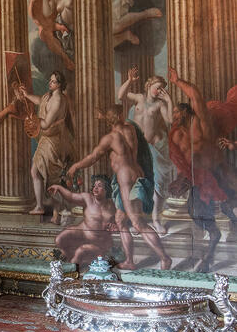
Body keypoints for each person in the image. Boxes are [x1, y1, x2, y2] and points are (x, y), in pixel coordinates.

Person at [68, 104, 171, 270]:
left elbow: (93, 156)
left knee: (137, 222)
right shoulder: (130, 129)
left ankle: (164, 258)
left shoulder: (111, 137)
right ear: (121, 116)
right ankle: (130, 260)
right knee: (120, 221)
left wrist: (76, 167)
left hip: (124, 177)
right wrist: (106, 117)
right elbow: (118, 121)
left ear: (109, 120)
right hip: (133, 173)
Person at [168, 68, 237, 272]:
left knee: (230, 207)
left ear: (186, 112)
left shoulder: (201, 123)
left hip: (218, 172)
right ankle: (214, 237)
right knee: (195, 211)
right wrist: (182, 179)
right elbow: (190, 162)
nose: (174, 117)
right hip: (202, 179)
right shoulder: (179, 136)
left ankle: (230, 228)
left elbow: (195, 95)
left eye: (176, 112)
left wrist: (178, 81)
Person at [117, 67, 173, 235]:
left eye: (162, 88)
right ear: (149, 85)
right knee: (134, 184)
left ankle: (155, 219)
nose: (159, 91)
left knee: (158, 183)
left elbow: (170, 121)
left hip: (151, 148)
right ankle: (137, 221)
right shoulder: (139, 98)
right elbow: (121, 96)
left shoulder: (160, 104)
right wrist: (129, 80)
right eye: (157, 87)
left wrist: (169, 101)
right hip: (134, 148)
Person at [18, 71, 73, 223]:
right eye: (50, 80)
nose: (50, 83)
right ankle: (50, 210)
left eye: (53, 81)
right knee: (44, 175)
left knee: (49, 176)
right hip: (46, 140)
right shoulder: (49, 96)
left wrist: (32, 119)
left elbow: (47, 123)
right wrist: (27, 95)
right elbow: (40, 101)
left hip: (54, 141)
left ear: (60, 85)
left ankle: (51, 209)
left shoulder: (58, 100)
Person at [49, 175, 132, 267]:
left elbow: (126, 219)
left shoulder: (113, 205)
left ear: (107, 189)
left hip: (99, 242)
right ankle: (71, 262)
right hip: (82, 232)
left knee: (81, 251)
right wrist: (59, 188)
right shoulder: (88, 198)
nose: (95, 188)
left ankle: (72, 269)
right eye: (94, 185)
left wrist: (116, 226)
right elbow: (71, 196)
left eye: (99, 186)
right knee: (59, 239)